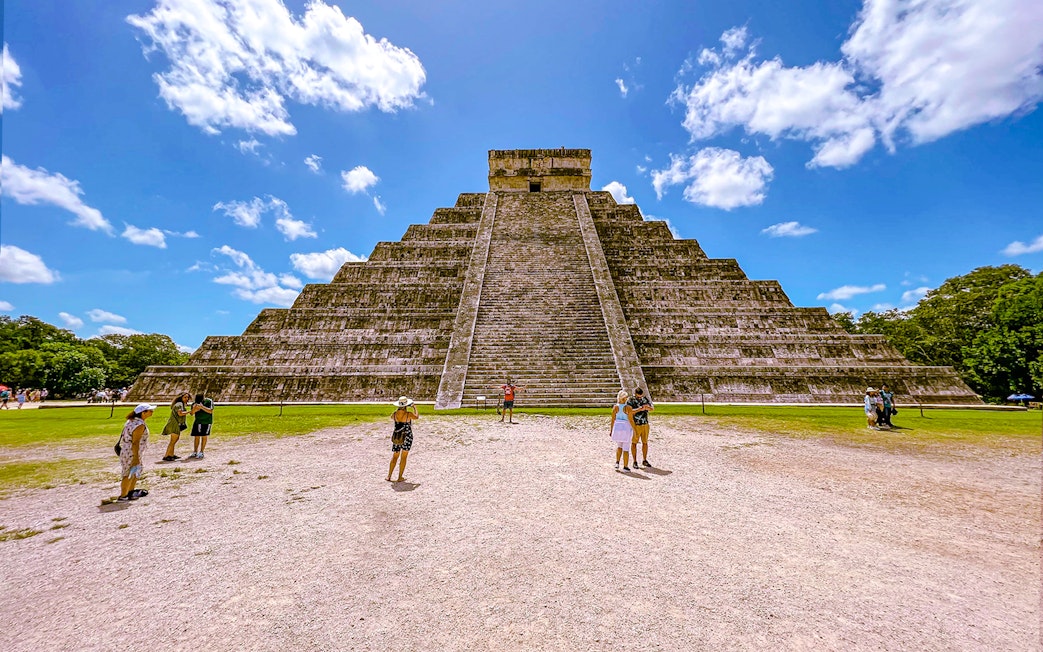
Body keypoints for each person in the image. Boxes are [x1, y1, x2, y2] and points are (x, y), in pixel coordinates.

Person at [117, 403, 155, 502]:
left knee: (134, 472)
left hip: (127, 450)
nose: (152, 412)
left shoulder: (131, 421)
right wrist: (136, 457)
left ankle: (130, 492)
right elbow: (135, 442)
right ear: (143, 413)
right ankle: (123, 495)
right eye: (150, 410)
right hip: (132, 452)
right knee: (129, 473)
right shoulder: (139, 425)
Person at [387, 396, 419, 482]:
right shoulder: (408, 414)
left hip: (397, 436)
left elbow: (391, 417)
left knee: (395, 456)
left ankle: (389, 476)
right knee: (403, 457)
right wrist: (415, 407)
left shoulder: (394, 414)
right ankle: (400, 476)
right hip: (406, 436)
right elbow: (416, 416)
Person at [610, 389, 638, 471]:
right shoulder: (628, 408)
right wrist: (635, 430)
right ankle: (625, 466)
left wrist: (611, 430)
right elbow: (631, 420)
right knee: (626, 448)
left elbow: (612, 420)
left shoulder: (615, 407)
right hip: (626, 428)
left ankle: (617, 462)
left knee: (619, 446)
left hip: (618, 427)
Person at [627, 387, 654, 467]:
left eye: (640, 396)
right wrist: (639, 409)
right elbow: (629, 411)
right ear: (635, 394)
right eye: (638, 396)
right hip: (636, 424)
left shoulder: (645, 399)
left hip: (645, 423)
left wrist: (647, 408)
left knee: (645, 442)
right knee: (634, 442)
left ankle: (644, 459)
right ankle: (634, 461)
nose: (640, 398)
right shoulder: (630, 400)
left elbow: (652, 408)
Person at [160, 392, 191, 461]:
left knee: (175, 440)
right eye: (185, 397)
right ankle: (167, 455)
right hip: (174, 424)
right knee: (173, 441)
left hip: (175, 423)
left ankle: (171, 454)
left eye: (187, 397)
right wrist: (190, 412)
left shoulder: (180, 404)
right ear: (181, 398)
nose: (187, 399)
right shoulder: (179, 404)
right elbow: (180, 414)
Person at [188, 392, 214, 459]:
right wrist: (195, 409)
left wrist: (202, 407)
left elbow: (210, 411)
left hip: (206, 422)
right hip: (197, 422)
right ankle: (195, 451)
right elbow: (191, 413)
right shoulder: (195, 403)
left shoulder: (209, 401)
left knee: (204, 436)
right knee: (196, 437)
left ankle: (201, 452)